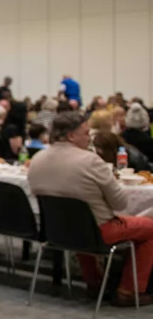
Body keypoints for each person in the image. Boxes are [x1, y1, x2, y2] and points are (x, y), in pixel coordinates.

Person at [29, 112, 153, 305]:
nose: (90, 138)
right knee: (150, 228)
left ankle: (94, 283)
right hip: (100, 231)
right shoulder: (90, 161)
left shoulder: (37, 159)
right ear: (71, 136)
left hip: (57, 231)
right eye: (86, 133)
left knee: (76, 220)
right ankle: (129, 290)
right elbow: (120, 203)